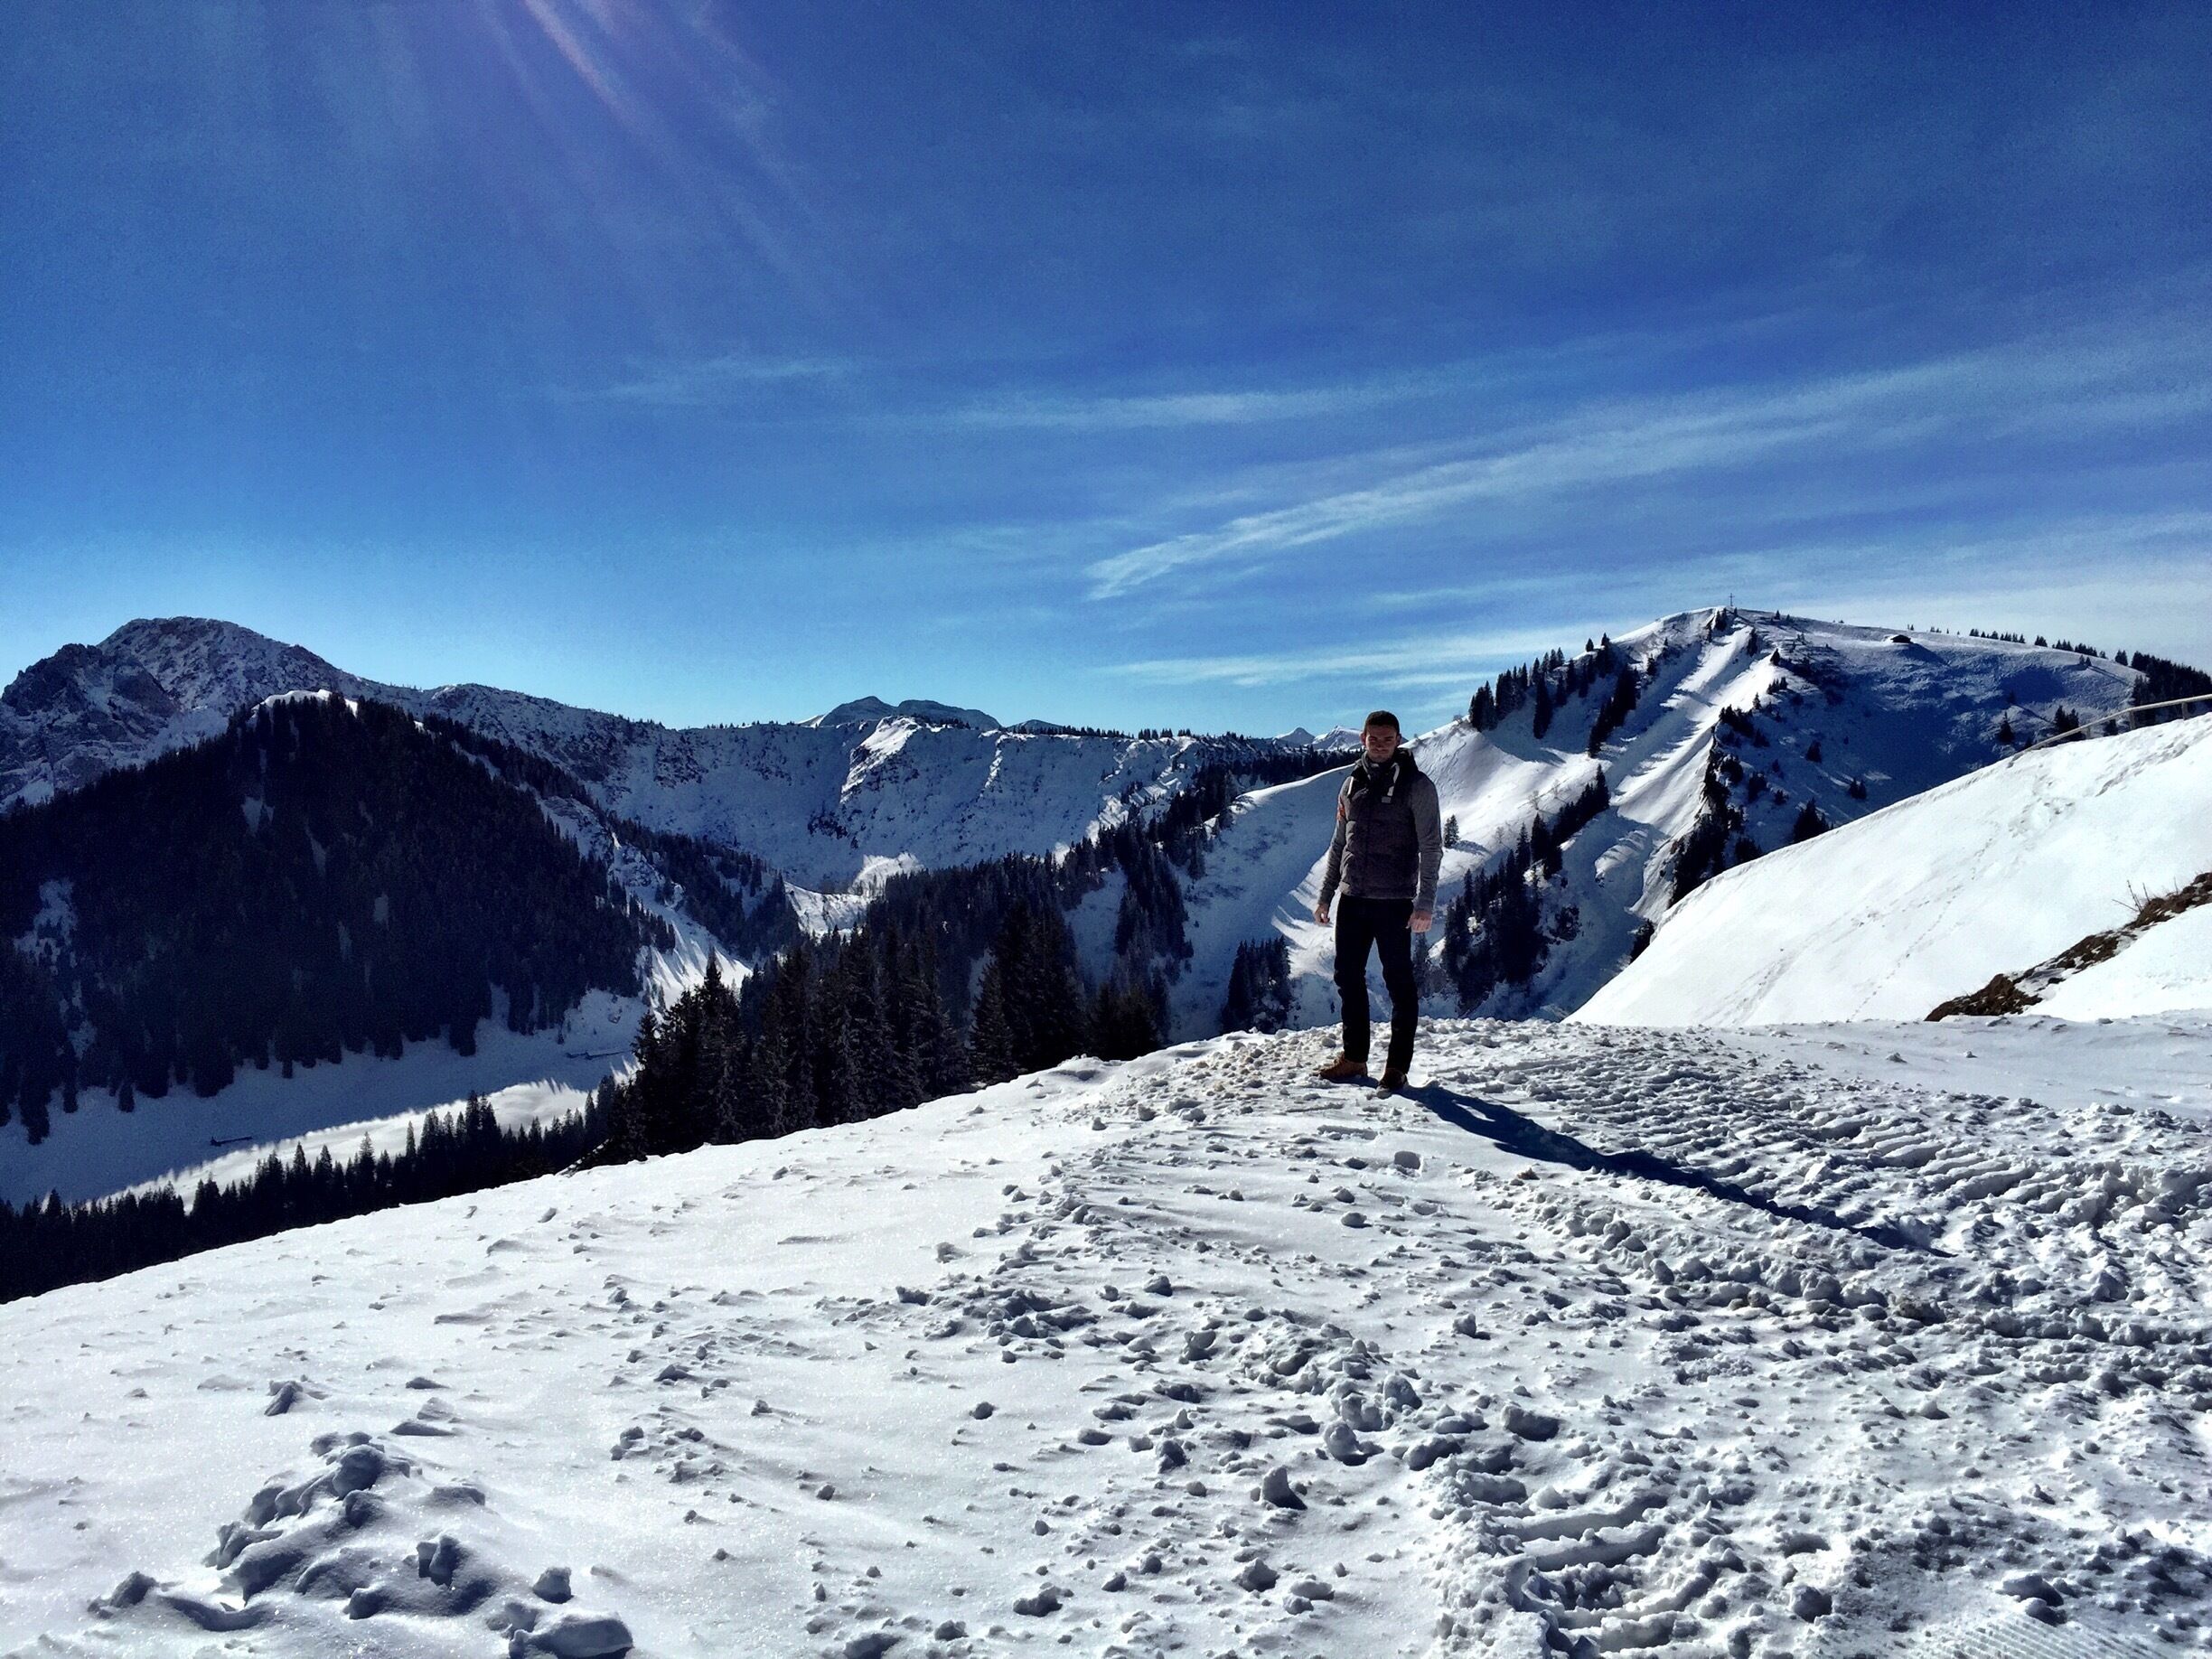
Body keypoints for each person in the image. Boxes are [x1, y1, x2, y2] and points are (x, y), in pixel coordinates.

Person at [1312, 710, 1442, 1092]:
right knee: (1347, 977)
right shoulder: (1351, 784)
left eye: (1389, 739)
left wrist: (1426, 902)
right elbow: (1340, 844)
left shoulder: (1418, 786)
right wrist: (1325, 896)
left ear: (1399, 740)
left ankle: (1397, 1067)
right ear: (1363, 740)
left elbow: (1432, 847)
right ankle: (1355, 1057)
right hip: (1353, 899)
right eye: (1374, 738)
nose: (1381, 745)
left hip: (1395, 902)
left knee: (1399, 983)